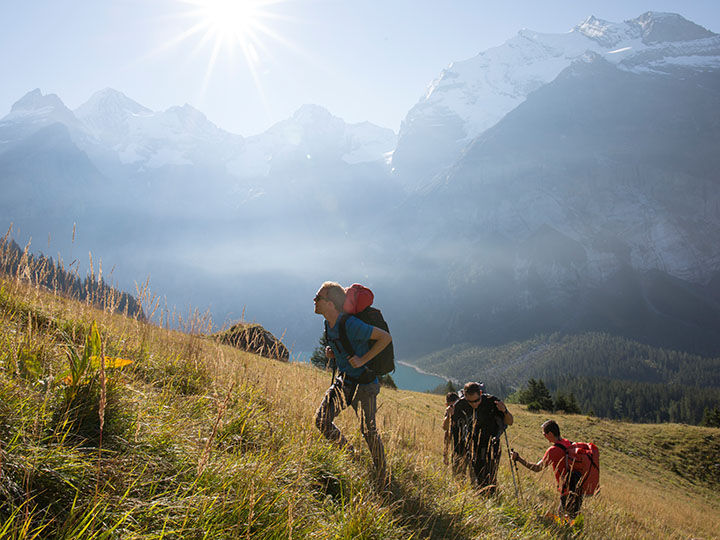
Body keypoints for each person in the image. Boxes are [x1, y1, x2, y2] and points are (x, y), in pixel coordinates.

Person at [313, 281, 392, 483]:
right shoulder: (328, 324)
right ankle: (350, 455)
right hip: (345, 381)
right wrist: (333, 353)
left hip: (365, 384)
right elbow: (343, 346)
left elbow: (385, 338)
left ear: (330, 303)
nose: (314, 301)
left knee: (368, 431)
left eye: (318, 298)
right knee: (321, 420)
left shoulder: (351, 324)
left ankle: (382, 473)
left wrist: (362, 360)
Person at [511, 420, 584, 518]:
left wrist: (518, 459)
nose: (544, 436)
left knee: (565, 519)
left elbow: (537, 468)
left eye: (544, 434)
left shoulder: (553, 451)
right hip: (578, 488)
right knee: (572, 517)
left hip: (566, 490)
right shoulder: (568, 443)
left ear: (550, 434)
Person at [451, 381, 513, 490]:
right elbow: (453, 427)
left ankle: (490, 496)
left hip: (491, 444)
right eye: (470, 401)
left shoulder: (492, 402)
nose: (474, 404)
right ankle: (479, 498)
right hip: (473, 446)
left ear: (480, 393)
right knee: (476, 478)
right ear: (465, 396)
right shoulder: (460, 405)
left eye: (477, 400)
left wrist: (504, 411)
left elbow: (510, 421)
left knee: (490, 477)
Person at [443, 391, 460, 465]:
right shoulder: (448, 411)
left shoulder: (463, 410)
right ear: (447, 405)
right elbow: (445, 429)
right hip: (455, 442)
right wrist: (449, 416)